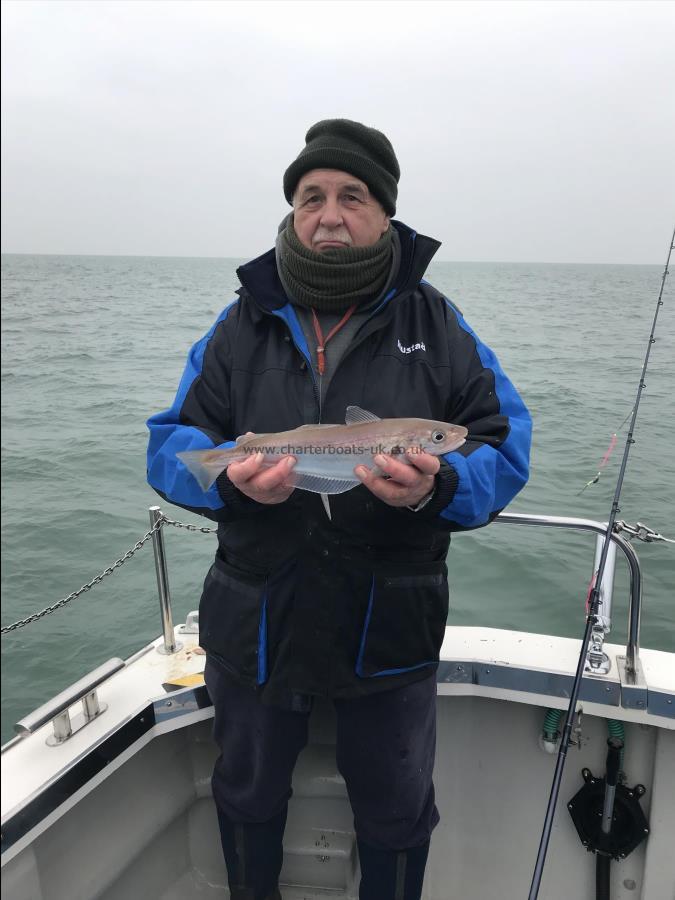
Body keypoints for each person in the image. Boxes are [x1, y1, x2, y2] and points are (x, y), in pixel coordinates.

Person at [146, 119, 532, 900]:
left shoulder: (439, 325)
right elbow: (169, 445)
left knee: (395, 810)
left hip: (388, 623)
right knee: (247, 793)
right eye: (310, 196)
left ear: (384, 215)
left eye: (351, 197)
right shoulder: (238, 323)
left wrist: (439, 488)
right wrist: (225, 481)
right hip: (255, 619)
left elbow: (501, 445)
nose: (328, 214)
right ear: (291, 213)